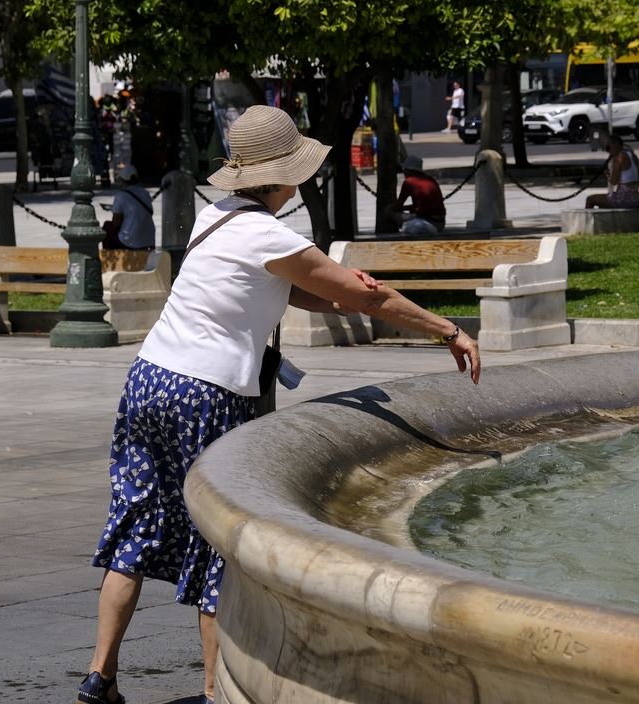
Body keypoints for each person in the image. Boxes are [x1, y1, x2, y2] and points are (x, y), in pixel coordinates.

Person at [74, 105, 481, 704]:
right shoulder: (270, 234)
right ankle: (217, 693)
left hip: (149, 381)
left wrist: (338, 297)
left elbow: (283, 288)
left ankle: (98, 677)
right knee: (218, 545)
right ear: (286, 175)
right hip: (205, 394)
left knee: (136, 526)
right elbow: (364, 298)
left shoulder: (216, 217)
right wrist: (446, 329)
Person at [382, 155, 447, 234]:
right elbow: (422, 206)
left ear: (410, 170)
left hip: (425, 223)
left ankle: (388, 233)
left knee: (390, 213)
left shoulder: (409, 182)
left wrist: (390, 208)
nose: (404, 172)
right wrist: (406, 208)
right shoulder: (430, 179)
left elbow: (398, 205)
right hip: (440, 224)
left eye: (405, 169)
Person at [586, 135, 639, 209]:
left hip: (622, 199)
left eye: (609, 147)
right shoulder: (633, 156)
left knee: (590, 199)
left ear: (616, 144)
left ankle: (586, 221)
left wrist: (607, 174)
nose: (607, 150)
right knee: (603, 200)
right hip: (635, 199)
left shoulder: (619, 158)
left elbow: (614, 181)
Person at [102, 165, 155, 251]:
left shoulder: (121, 195)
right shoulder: (145, 193)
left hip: (130, 241)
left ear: (122, 180)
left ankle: (111, 256)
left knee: (107, 226)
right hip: (148, 240)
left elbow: (116, 223)